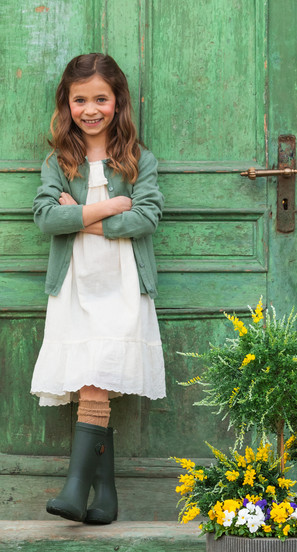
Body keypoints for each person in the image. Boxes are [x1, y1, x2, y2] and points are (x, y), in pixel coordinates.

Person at [31, 53, 165, 525]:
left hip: (123, 281)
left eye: (101, 99)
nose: (91, 109)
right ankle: (103, 495)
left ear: (118, 102)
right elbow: (47, 218)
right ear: (67, 105)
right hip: (74, 282)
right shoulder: (58, 162)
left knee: (97, 377)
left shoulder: (138, 160)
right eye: (80, 99)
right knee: (94, 376)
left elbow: (146, 218)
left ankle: (75, 488)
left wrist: (82, 216)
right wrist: (112, 209)